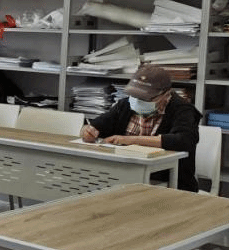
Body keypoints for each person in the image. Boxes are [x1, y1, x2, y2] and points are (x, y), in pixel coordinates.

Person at [79, 64, 200, 192]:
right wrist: (87, 131)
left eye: (145, 98)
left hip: (169, 186)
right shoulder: (125, 105)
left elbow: (183, 140)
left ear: (166, 94)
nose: (137, 101)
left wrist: (129, 140)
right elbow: (97, 126)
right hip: (124, 180)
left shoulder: (183, 110)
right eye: (134, 95)